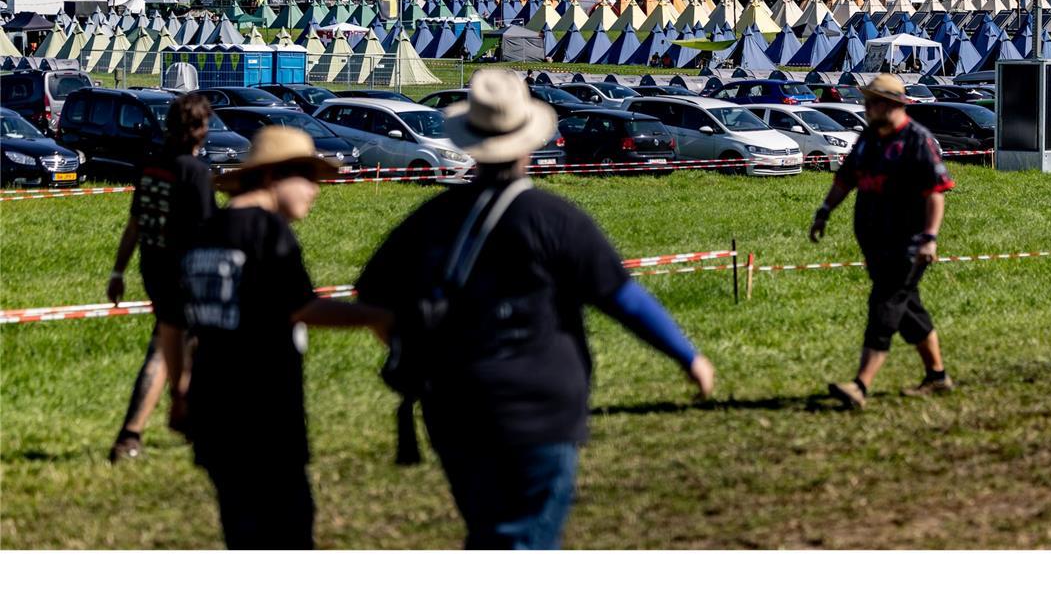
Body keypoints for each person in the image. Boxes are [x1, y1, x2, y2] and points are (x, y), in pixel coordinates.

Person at [356, 69, 714, 549]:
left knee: (490, 533)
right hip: (543, 410)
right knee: (523, 541)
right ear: (528, 144)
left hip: (456, 406)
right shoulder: (556, 220)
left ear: (470, 144)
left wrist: (416, 343)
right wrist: (687, 357)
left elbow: (373, 297)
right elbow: (621, 298)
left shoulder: (431, 218)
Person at [179, 126, 389, 549]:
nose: (315, 190)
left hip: (213, 411)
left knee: (242, 531)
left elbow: (181, 326)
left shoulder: (208, 229)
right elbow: (302, 307)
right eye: (308, 177)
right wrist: (377, 317)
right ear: (275, 176)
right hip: (262, 412)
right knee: (288, 531)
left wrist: (180, 393)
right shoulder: (268, 232)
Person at [809, 74, 955, 409]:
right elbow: (846, 178)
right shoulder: (868, 138)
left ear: (891, 104)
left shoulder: (918, 140)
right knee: (908, 310)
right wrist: (824, 210)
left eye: (872, 101)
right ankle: (938, 376)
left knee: (884, 306)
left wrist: (930, 238)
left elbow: (936, 193)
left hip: (909, 244)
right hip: (875, 242)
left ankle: (860, 385)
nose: (867, 107)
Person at [106, 93, 215, 462]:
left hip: (152, 268)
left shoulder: (152, 167)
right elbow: (208, 230)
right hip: (187, 273)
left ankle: (184, 416)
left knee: (182, 344)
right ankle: (132, 434)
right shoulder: (195, 172)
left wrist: (118, 270)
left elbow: (135, 223)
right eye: (206, 124)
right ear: (197, 129)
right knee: (166, 349)